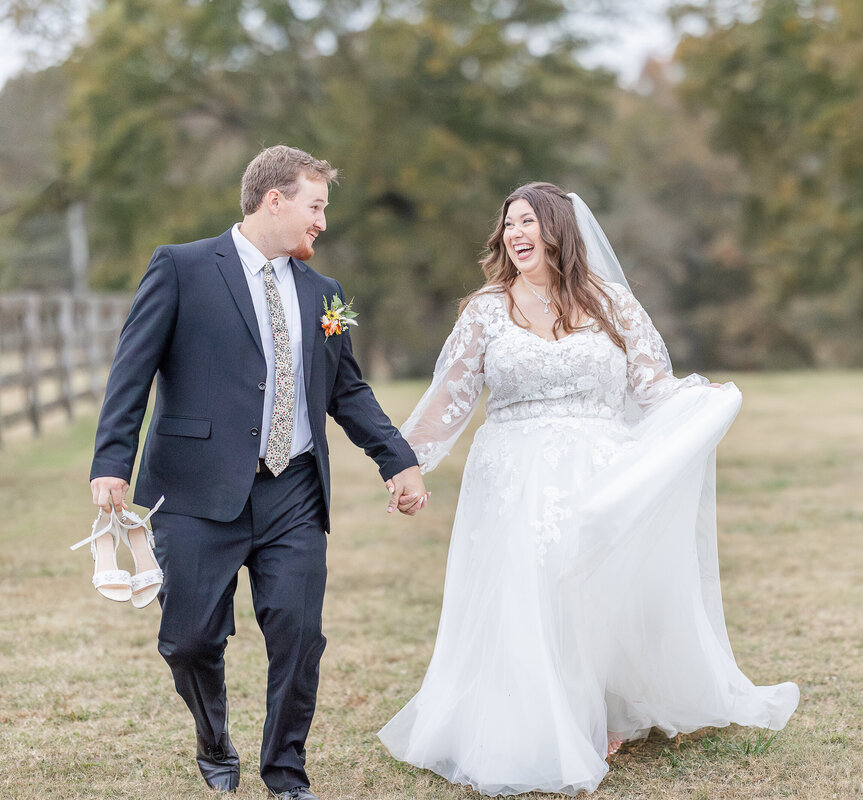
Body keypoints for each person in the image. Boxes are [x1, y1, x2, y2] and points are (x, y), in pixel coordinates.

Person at [377, 182, 799, 796]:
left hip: (600, 468)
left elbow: (653, 387)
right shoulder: (487, 311)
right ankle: (539, 717)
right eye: (510, 224)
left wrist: (702, 399)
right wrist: (406, 464)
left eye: (530, 222)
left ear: (560, 232)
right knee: (529, 586)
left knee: (588, 590)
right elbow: (449, 398)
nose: (517, 234)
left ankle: (600, 708)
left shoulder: (612, 305)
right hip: (513, 473)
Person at [89, 145, 429, 800]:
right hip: (192, 492)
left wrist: (399, 460)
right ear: (275, 200)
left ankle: (285, 775)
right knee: (187, 642)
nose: (322, 223)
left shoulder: (327, 295)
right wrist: (111, 462)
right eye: (316, 206)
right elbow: (131, 371)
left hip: (294, 491)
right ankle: (214, 739)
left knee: (300, 639)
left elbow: (347, 390)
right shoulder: (181, 267)